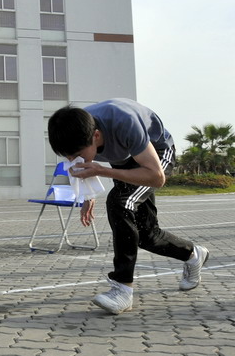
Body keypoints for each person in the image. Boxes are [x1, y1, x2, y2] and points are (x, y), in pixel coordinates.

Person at [47, 98, 209, 315]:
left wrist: (101, 170)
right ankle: (193, 254)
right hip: (124, 159)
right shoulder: (77, 129)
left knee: (120, 203)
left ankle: (122, 289)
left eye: (76, 155)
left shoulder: (125, 122)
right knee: (146, 235)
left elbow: (156, 177)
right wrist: (88, 196)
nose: (73, 160)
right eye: (68, 157)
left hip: (156, 154)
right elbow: (86, 165)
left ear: (96, 136)